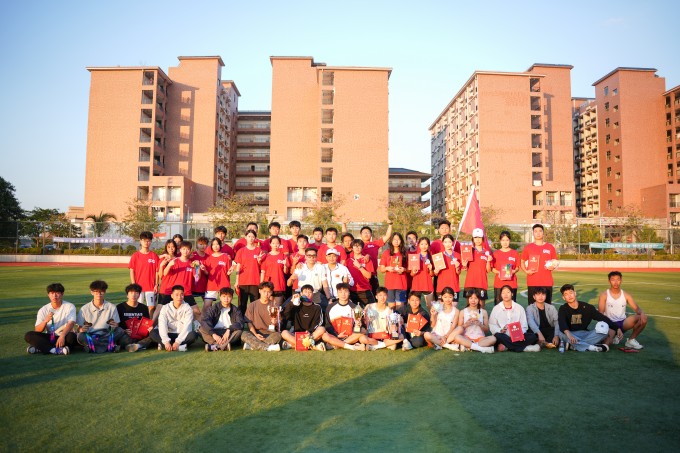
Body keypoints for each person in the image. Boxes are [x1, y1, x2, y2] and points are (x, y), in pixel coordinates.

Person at [558, 284, 619, 352]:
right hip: (571, 334)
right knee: (561, 334)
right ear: (563, 297)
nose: (569, 296)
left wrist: (617, 328)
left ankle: (574, 345)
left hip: (585, 334)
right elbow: (562, 323)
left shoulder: (587, 307)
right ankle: (592, 347)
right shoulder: (563, 309)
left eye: (571, 293)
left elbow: (602, 318)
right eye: (566, 294)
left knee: (604, 331)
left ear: (575, 293)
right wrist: (569, 335)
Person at [77, 280, 134, 353]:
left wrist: (114, 325)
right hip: (91, 335)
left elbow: (116, 325)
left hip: (107, 334)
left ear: (105, 291)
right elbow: (79, 328)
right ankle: (109, 346)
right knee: (80, 336)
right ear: (92, 292)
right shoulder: (84, 308)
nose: (99, 294)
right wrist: (82, 329)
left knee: (119, 330)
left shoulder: (112, 307)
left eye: (101, 291)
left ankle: (94, 347)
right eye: (96, 291)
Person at [597, 271, 647, 350]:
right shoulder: (604, 295)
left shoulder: (626, 295)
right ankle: (612, 336)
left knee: (643, 318)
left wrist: (642, 313)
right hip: (610, 324)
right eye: (613, 280)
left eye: (618, 279)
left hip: (623, 323)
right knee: (607, 344)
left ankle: (631, 340)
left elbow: (637, 309)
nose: (616, 282)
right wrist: (604, 329)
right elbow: (600, 314)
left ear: (621, 281)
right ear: (609, 281)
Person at [25, 283, 77, 355]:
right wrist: (45, 321)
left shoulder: (69, 306)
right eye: (52, 293)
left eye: (57, 293)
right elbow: (38, 330)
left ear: (62, 294)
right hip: (50, 336)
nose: (54, 296)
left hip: (64, 335)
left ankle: (41, 348)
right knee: (29, 335)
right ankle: (54, 350)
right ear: (48, 295)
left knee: (72, 337)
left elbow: (71, 323)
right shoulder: (43, 309)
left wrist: (62, 336)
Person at [343, 221, 393, 293]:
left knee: (375, 296)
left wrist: (390, 225)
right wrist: (344, 224)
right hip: (358, 276)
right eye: (364, 232)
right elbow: (346, 236)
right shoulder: (357, 245)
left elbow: (387, 236)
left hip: (372, 274)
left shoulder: (375, 243)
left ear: (371, 234)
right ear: (360, 235)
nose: (366, 234)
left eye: (368, 232)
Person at [488, 285, 540, 352]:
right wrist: (500, 330)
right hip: (503, 335)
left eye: (508, 292)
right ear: (501, 295)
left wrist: (518, 333)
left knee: (533, 336)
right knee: (498, 336)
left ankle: (508, 346)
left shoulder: (519, 308)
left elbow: (524, 326)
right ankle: (525, 348)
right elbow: (492, 325)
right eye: (503, 293)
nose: (505, 295)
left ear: (512, 294)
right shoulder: (496, 308)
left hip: (517, 336)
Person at [150, 285, 198, 351]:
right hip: (168, 334)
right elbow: (162, 324)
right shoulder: (165, 308)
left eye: (181, 294)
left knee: (193, 335)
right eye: (177, 295)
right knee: (153, 332)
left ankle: (167, 345)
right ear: (172, 296)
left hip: (181, 334)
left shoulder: (188, 308)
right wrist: (166, 341)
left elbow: (187, 326)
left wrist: (178, 342)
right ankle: (177, 347)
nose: (179, 297)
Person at [162, 241, 201, 321]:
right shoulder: (174, 261)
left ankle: (201, 327)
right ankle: (153, 326)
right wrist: (169, 265)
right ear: (180, 250)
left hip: (186, 292)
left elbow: (197, 278)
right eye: (183, 249)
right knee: (162, 312)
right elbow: (164, 274)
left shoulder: (192, 264)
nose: (185, 251)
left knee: (197, 312)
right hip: (172, 292)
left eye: (187, 249)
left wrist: (198, 268)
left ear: (190, 251)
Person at [280, 285, 327, 351]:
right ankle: (313, 347)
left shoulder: (317, 307)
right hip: (297, 334)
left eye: (310, 292)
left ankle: (292, 345)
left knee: (322, 329)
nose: (307, 294)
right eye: (305, 292)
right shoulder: (296, 306)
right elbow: (285, 315)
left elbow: (320, 322)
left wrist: (310, 331)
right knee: (284, 333)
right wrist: (291, 302)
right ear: (301, 294)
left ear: (313, 294)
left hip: (311, 334)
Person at [521, 224, 559, 304]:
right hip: (532, 281)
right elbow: (522, 261)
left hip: (547, 282)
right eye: (535, 231)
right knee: (532, 306)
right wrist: (526, 271)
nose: (538, 233)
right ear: (533, 233)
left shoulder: (550, 247)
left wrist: (553, 267)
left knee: (547, 306)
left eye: (540, 231)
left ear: (543, 233)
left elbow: (555, 262)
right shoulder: (528, 247)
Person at [324, 283, 368, 350]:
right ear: (337, 293)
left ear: (349, 293)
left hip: (350, 336)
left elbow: (361, 326)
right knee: (325, 335)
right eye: (340, 292)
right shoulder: (330, 307)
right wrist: (337, 335)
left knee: (362, 331)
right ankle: (346, 344)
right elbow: (327, 325)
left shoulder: (355, 307)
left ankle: (338, 344)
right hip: (336, 335)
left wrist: (359, 324)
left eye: (345, 292)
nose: (343, 294)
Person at [241, 282, 282, 351]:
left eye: (269, 292)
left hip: (269, 333)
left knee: (278, 335)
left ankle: (252, 346)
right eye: (264, 291)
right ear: (259, 291)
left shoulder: (274, 306)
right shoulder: (252, 305)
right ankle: (268, 347)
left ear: (271, 292)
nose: (266, 294)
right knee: (244, 334)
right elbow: (249, 323)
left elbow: (278, 324)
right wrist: (255, 334)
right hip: (255, 333)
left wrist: (274, 323)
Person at [453, 289, 496, 353]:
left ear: (479, 299)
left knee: (493, 339)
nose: (473, 300)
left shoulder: (483, 312)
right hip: (466, 337)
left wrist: (480, 324)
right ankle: (481, 348)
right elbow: (459, 328)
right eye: (471, 298)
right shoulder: (463, 312)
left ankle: (469, 346)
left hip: (480, 339)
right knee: (457, 337)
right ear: (468, 299)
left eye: (475, 298)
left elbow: (486, 329)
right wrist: (466, 324)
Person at [200, 287, 243, 351]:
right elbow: (205, 320)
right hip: (215, 331)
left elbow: (240, 323)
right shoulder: (214, 308)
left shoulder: (235, 310)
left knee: (239, 331)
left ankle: (215, 346)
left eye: (229, 297)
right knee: (201, 329)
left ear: (232, 298)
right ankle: (224, 345)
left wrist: (229, 330)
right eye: (224, 296)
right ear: (220, 297)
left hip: (229, 332)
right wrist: (213, 334)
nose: (226, 299)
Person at [128, 231, 160, 317]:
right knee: (138, 306)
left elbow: (157, 271)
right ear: (141, 241)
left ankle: (150, 323)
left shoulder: (154, 256)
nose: (146, 242)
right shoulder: (135, 255)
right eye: (144, 240)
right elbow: (132, 270)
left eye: (148, 240)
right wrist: (134, 284)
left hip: (151, 286)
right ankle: (138, 323)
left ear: (151, 241)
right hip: (139, 287)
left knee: (151, 307)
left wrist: (156, 284)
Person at [234, 229, 265, 315]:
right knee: (242, 304)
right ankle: (240, 321)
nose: (251, 238)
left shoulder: (259, 251)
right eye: (249, 236)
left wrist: (259, 260)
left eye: (253, 237)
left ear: (255, 238)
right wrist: (237, 281)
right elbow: (238, 266)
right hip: (243, 281)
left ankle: (254, 321)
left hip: (255, 281)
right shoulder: (241, 251)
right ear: (245, 237)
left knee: (254, 304)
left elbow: (262, 267)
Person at [116, 283, 153, 352]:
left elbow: (146, 323)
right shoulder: (120, 307)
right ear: (127, 295)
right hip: (126, 335)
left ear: (139, 295)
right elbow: (116, 325)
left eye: (136, 293)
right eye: (131, 293)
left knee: (153, 335)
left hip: (140, 335)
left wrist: (148, 329)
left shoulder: (144, 307)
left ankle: (136, 345)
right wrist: (124, 331)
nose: (133, 295)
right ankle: (140, 345)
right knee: (124, 339)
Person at [461, 228, 492, 307]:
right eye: (475, 237)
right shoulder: (468, 251)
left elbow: (488, 270)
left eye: (479, 237)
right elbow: (465, 269)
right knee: (469, 307)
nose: (477, 239)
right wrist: (464, 264)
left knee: (481, 307)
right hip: (470, 282)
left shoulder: (487, 252)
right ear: (473, 239)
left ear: (482, 238)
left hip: (481, 283)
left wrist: (488, 261)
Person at [379, 232, 408, 309]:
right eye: (394, 239)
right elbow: (381, 269)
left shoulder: (405, 253)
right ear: (391, 240)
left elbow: (409, 269)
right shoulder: (386, 253)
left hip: (401, 283)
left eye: (398, 239)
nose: (396, 241)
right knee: (391, 307)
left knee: (400, 308)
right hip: (390, 284)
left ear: (401, 241)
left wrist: (404, 269)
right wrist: (387, 268)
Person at [490, 231, 520, 305]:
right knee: (499, 306)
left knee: (511, 306)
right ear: (500, 241)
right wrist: (499, 273)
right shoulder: (495, 254)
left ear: (510, 240)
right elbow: (492, 268)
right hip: (499, 284)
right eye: (503, 240)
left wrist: (513, 271)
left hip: (512, 284)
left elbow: (517, 267)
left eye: (507, 240)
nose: (505, 242)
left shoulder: (515, 253)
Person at [202, 237, 234, 306]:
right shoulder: (208, 258)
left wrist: (230, 271)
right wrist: (204, 270)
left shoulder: (226, 257)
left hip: (224, 284)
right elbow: (207, 273)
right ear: (211, 246)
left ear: (220, 245)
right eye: (213, 244)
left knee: (225, 305)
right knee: (206, 306)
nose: (215, 246)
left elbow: (228, 272)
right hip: (212, 285)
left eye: (217, 244)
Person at [260, 235, 289, 306]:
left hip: (279, 285)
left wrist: (285, 265)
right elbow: (263, 271)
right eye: (273, 243)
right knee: (268, 306)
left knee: (278, 307)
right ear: (270, 244)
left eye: (277, 243)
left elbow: (286, 272)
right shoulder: (266, 256)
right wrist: (261, 285)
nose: (275, 245)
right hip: (268, 285)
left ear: (280, 244)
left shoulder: (283, 256)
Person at [433, 234, 462, 303]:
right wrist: (436, 271)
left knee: (453, 307)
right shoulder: (439, 256)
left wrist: (457, 267)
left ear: (453, 242)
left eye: (449, 242)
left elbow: (458, 272)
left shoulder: (457, 255)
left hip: (454, 286)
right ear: (443, 243)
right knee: (441, 308)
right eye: (445, 242)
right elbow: (435, 273)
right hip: (441, 286)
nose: (448, 244)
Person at [348, 239, 376, 307]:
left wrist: (359, 266)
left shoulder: (366, 260)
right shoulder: (348, 261)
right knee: (355, 312)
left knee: (371, 310)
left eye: (359, 246)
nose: (357, 248)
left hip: (365, 290)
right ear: (352, 248)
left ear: (362, 247)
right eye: (355, 246)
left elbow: (369, 276)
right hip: (352, 291)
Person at [409, 237, 435, 308]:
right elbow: (411, 274)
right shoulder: (414, 257)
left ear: (428, 245)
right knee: (415, 306)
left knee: (430, 306)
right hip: (417, 284)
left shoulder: (431, 257)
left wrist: (430, 269)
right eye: (422, 244)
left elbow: (432, 275)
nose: (424, 246)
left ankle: (431, 316)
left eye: (426, 244)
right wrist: (413, 271)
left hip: (427, 284)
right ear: (419, 245)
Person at [190, 236, 210, 308]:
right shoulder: (192, 255)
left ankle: (204, 316)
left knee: (208, 306)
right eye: (200, 244)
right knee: (191, 306)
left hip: (204, 286)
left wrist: (204, 270)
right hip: (192, 285)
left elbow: (209, 273)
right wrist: (194, 264)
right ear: (197, 245)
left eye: (204, 244)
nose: (202, 246)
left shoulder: (209, 257)